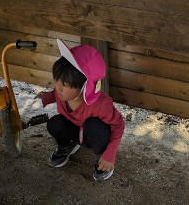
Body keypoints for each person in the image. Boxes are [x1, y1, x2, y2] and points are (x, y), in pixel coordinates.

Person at [37, 39, 125, 181]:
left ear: (84, 87)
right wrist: (45, 98)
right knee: (54, 123)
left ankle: (102, 157)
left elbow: (118, 124)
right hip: (76, 132)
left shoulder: (100, 105)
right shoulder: (61, 94)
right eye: (57, 79)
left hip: (93, 136)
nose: (58, 87)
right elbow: (54, 93)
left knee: (93, 125)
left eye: (64, 84)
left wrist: (111, 153)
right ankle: (67, 145)